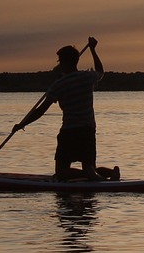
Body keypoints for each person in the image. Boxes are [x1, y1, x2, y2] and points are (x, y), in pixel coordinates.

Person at [14, 37, 117, 181]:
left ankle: (90, 175)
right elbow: (100, 71)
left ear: (63, 62)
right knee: (90, 167)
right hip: (88, 130)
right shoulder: (87, 77)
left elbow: (41, 110)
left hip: (69, 131)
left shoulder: (59, 84)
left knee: (61, 173)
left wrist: (22, 124)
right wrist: (93, 50)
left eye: (59, 61)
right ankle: (109, 174)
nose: (58, 64)